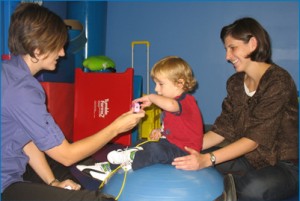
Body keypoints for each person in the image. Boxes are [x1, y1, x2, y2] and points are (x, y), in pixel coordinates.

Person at [1, 3, 145, 201]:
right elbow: (66, 154)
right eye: (58, 46)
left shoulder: (9, 71)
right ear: (37, 50)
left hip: (14, 164)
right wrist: (116, 128)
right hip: (5, 184)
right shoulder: (23, 90)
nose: (62, 53)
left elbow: (26, 140)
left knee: (62, 173)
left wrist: (53, 183)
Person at [172, 17, 298, 201]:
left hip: (285, 167)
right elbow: (223, 129)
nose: (227, 56)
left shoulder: (278, 81)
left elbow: (254, 140)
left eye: (232, 48)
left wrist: (207, 160)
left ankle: (231, 192)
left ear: (252, 44)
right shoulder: (236, 83)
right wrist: (182, 145)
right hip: (249, 161)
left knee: (253, 188)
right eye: (226, 49)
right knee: (191, 158)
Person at [107, 56, 204, 171]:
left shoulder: (187, 101)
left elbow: (171, 105)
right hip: (171, 144)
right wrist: (160, 131)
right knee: (142, 143)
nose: (157, 89)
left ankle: (128, 165)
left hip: (185, 152)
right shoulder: (173, 103)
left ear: (179, 83)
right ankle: (113, 164)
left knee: (156, 150)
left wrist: (151, 97)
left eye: (161, 84)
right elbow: (176, 128)